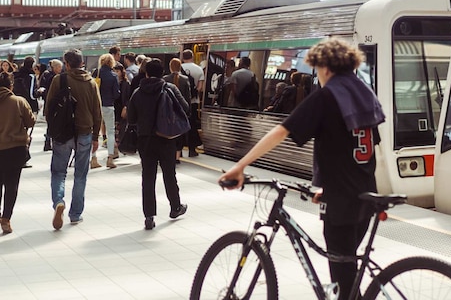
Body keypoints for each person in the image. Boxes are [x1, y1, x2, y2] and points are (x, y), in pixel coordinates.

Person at [220, 38, 385, 300]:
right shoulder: (363, 93)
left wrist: (240, 166)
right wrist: (331, 186)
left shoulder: (327, 96)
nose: (318, 75)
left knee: (343, 281)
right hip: (365, 198)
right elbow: (366, 151)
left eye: (317, 69)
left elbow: (280, 131)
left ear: (326, 67)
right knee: (348, 279)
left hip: (342, 205)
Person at [127, 58, 189, 230]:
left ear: (146, 73)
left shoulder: (138, 92)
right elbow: (186, 108)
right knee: (169, 174)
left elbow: (131, 118)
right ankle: (175, 207)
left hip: (145, 140)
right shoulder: (170, 89)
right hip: (167, 139)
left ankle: (149, 216)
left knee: (148, 178)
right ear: (162, 73)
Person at [45, 49, 102, 229]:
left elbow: (49, 108)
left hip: (63, 134)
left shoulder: (59, 80)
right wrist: (95, 137)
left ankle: (59, 202)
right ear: (82, 63)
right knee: (80, 175)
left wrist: (53, 130)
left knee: (59, 172)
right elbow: (97, 112)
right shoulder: (91, 83)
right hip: (84, 133)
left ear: (67, 64)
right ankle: (75, 214)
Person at [0, 70, 35, 235]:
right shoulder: (18, 101)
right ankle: (6, 220)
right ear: (11, 85)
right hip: (14, 150)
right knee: (11, 186)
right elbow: (30, 121)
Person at [94, 53, 120, 169]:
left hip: (96, 106)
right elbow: (116, 94)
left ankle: (93, 158)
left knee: (94, 132)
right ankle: (110, 158)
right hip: (109, 106)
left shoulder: (96, 73)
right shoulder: (113, 75)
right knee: (110, 132)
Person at [164, 58, 192, 164]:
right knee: (179, 133)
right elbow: (188, 97)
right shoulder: (185, 79)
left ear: (170, 67)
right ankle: (177, 157)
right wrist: (188, 111)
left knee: (169, 132)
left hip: (168, 110)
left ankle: (169, 154)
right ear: (180, 67)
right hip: (180, 111)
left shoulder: (165, 79)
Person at [179, 49, 205, 155]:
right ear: (192, 56)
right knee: (192, 125)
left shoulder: (179, 68)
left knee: (179, 125)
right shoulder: (199, 69)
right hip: (193, 102)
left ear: (182, 57)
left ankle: (178, 151)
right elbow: (200, 88)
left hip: (180, 102)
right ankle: (192, 150)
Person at [38, 59, 62, 151]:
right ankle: (49, 142)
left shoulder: (46, 74)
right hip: (53, 102)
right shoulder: (53, 76)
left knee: (50, 123)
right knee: (52, 123)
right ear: (55, 67)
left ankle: (48, 142)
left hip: (48, 101)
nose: (60, 69)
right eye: (59, 67)